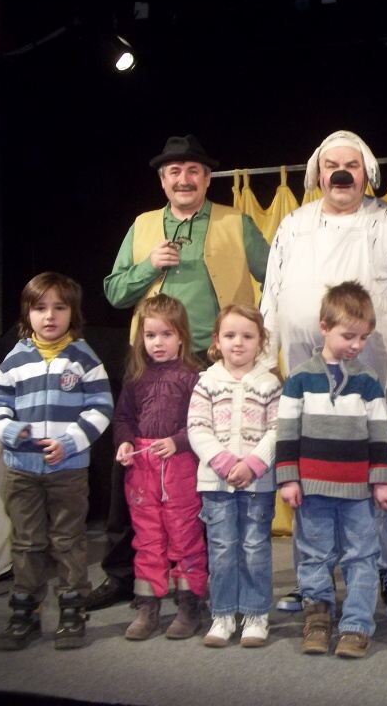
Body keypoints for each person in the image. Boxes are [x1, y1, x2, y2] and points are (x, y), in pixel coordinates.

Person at [93, 134, 269, 611]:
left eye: (193, 171)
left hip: (214, 365)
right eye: (174, 172)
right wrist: (148, 266)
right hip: (151, 362)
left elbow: (275, 276)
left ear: (207, 179)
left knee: (206, 470)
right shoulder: (143, 226)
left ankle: (202, 578)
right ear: (162, 180)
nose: (184, 179)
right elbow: (114, 292)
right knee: (136, 464)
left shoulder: (236, 222)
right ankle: (124, 574)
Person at [261, 129, 387, 615]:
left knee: (375, 468)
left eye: (352, 165)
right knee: (312, 472)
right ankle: (314, 577)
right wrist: (265, 357)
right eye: (332, 166)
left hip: (372, 372)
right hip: (306, 375)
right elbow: (272, 296)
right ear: (318, 174)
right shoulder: (294, 224)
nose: (342, 173)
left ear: (367, 173)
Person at [0, 272, 114, 651]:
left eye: (59, 307)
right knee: (27, 542)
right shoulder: (15, 359)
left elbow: (101, 407)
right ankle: (25, 610)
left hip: (68, 471)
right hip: (22, 470)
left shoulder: (84, 358)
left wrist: (70, 442)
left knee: (68, 540)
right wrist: (12, 432)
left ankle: (73, 609)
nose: (50, 315)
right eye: (40, 308)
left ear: (73, 312)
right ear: (28, 312)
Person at [275, 281, 387, 659]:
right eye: (349, 336)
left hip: (358, 492)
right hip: (312, 490)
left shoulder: (368, 382)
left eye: (363, 338)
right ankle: (317, 619)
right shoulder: (299, 379)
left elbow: (380, 436)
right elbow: (286, 432)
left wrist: (381, 481)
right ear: (324, 327)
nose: (357, 345)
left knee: (362, 557)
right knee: (314, 555)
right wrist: (288, 477)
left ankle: (356, 625)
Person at [188, 304, 282, 648]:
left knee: (255, 548)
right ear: (217, 341)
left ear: (261, 341)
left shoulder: (270, 383)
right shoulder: (206, 382)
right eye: (230, 335)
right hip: (216, 484)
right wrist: (226, 463)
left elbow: (277, 430)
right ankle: (223, 613)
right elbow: (197, 428)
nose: (238, 343)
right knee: (222, 549)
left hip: (258, 484)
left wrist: (253, 464)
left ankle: (256, 614)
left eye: (247, 336)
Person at [114, 294, 206, 641]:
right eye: (150, 335)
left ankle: (189, 603)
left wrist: (178, 441)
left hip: (180, 467)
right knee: (147, 537)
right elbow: (123, 418)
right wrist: (124, 442)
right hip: (142, 469)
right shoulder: (136, 377)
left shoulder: (193, 376)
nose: (158, 343)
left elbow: (202, 423)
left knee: (184, 535)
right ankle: (148, 605)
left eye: (166, 334)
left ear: (182, 336)